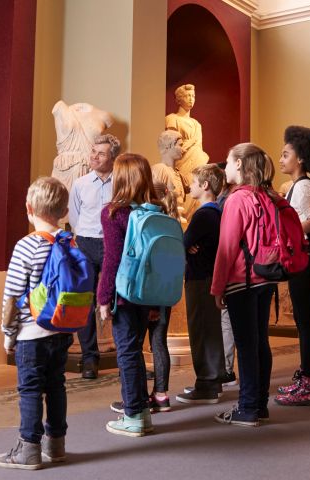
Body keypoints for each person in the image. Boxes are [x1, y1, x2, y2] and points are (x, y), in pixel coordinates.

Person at [0, 177, 74, 470]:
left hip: (32, 333)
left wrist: (7, 333)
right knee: (56, 385)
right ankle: (56, 445)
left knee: (29, 389)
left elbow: (13, 294)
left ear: (28, 209)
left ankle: (29, 449)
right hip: (62, 329)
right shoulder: (70, 241)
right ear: (64, 211)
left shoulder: (26, 245)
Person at [211, 143, 278, 427]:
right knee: (260, 342)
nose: (224, 167)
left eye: (227, 161)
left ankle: (248, 408)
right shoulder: (267, 196)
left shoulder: (237, 200)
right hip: (266, 277)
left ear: (239, 164)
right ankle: (259, 404)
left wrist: (217, 288)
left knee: (246, 345)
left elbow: (226, 247)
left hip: (241, 280)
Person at [98, 153, 163, 437]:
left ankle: (133, 414)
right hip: (150, 291)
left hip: (125, 292)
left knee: (126, 352)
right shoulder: (156, 211)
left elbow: (112, 259)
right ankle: (143, 412)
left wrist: (103, 297)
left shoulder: (115, 212)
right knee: (136, 349)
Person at [109, 181, 178, 415]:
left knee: (133, 347)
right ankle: (161, 395)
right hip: (163, 293)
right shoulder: (169, 223)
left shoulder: (140, 221)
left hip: (141, 293)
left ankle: (136, 400)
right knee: (159, 344)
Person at [275, 126, 310, 407]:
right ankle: (306, 379)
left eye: (286, 154)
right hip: (306, 256)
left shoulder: (304, 187)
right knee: (304, 321)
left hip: (307, 257)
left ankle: (308, 386)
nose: (281, 159)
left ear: (301, 159)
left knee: (307, 322)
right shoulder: (299, 186)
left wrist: (291, 231)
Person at [68, 134, 121, 379]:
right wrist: (83, 238)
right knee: (86, 301)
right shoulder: (80, 184)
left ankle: (125, 355)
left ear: (113, 157)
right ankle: (90, 359)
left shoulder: (121, 183)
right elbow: (75, 217)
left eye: (100, 153)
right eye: (93, 151)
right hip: (86, 243)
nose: (94, 156)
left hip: (113, 243)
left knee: (119, 299)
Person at [176, 164, 227, 404]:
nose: (190, 186)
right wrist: (188, 245)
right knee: (210, 330)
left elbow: (182, 243)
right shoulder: (217, 213)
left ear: (205, 186)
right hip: (210, 276)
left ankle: (206, 384)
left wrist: (187, 245)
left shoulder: (204, 214)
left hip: (200, 278)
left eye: (194, 182)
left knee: (201, 331)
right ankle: (212, 381)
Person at [165, 84, 209, 218]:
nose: (191, 99)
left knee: (196, 192)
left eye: (193, 96)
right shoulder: (172, 119)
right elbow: (171, 143)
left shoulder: (197, 124)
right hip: (181, 163)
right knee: (180, 194)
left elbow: (198, 147)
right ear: (179, 99)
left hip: (196, 163)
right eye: (188, 96)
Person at [52, 100, 113, 193]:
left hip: (88, 169)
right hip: (63, 170)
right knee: (58, 203)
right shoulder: (60, 107)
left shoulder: (103, 115)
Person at [215, 166, 238, 388]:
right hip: (248, 271)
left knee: (227, 320)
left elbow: (226, 241)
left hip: (233, 270)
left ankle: (226, 370)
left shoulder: (227, 200)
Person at [151, 130, 188, 222]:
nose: (184, 150)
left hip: (179, 222)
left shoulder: (180, 175)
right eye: (180, 145)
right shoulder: (159, 170)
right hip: (165, 222)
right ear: (169, 146)